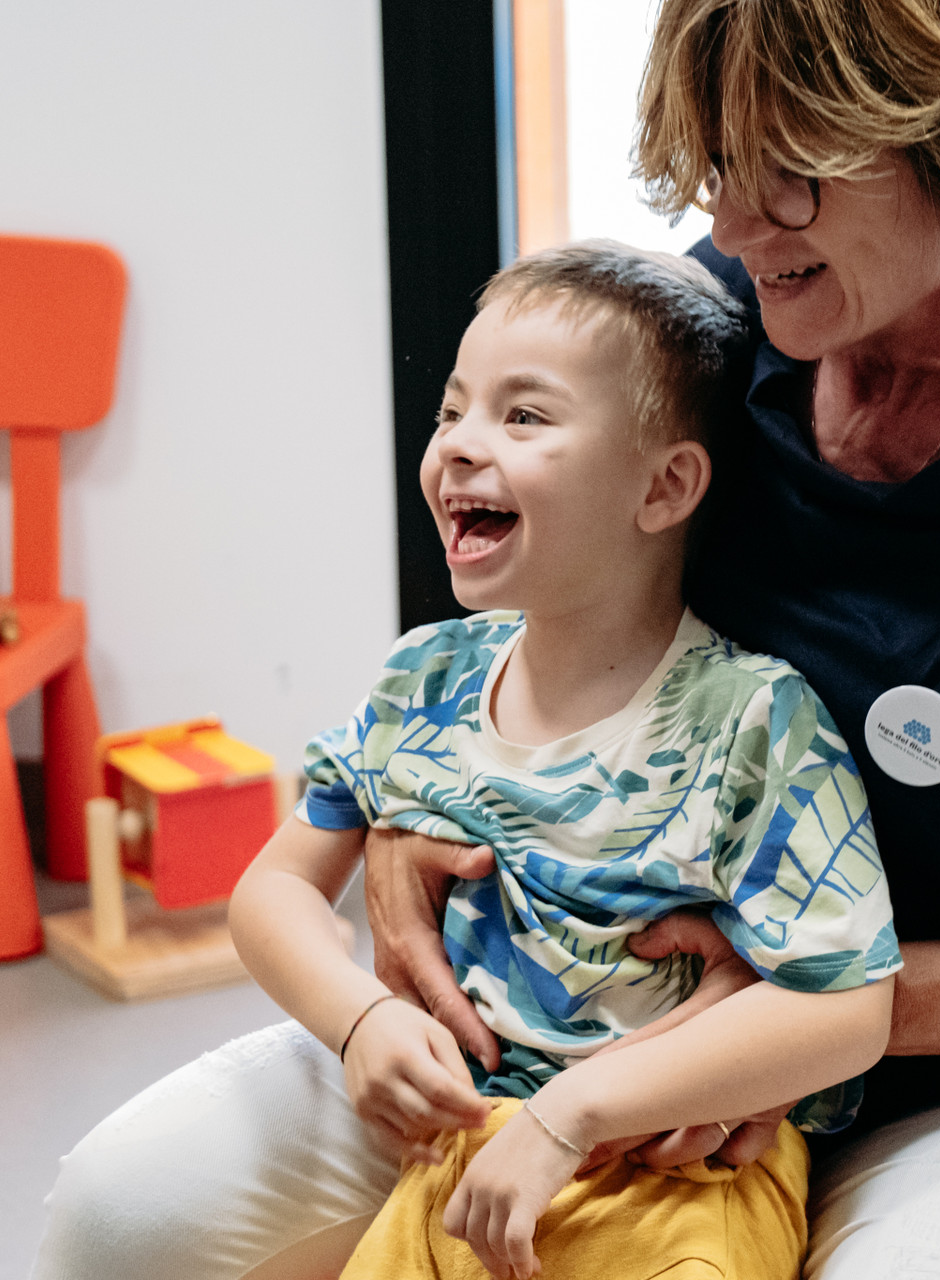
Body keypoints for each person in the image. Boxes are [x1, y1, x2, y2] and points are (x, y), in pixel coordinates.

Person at [33, 3, 940, 1278]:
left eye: (788, 177)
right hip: (577, 999)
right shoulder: (736, 328)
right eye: (714, 167)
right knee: (124, 1217)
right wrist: (399, 837)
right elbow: (543, 596)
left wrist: (814, 1019)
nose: (730, 222)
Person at [227, 242, 900, 1280]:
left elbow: (848, 1004)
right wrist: (358, 1021)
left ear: (665, 484)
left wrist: (575, 1113)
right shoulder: (425, 679)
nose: (458, 445)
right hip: (458, 1164)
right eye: (453, 410)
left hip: (689, 1184)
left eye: (523, 415)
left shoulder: (754, 721)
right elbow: (273, 887)